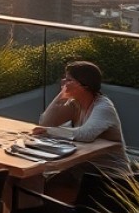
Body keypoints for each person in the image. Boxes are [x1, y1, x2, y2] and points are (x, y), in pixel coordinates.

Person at [32, 60, 130, 200]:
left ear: (83, 85)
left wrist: (49, 131)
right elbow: (46, 121)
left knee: (52, 184)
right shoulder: (75, 104)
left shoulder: (103, 107)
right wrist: (61, 94)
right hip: (87, 172)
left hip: (111, 179)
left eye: (69, 79)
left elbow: (86, 134)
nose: (63, 81)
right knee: (47, 182)